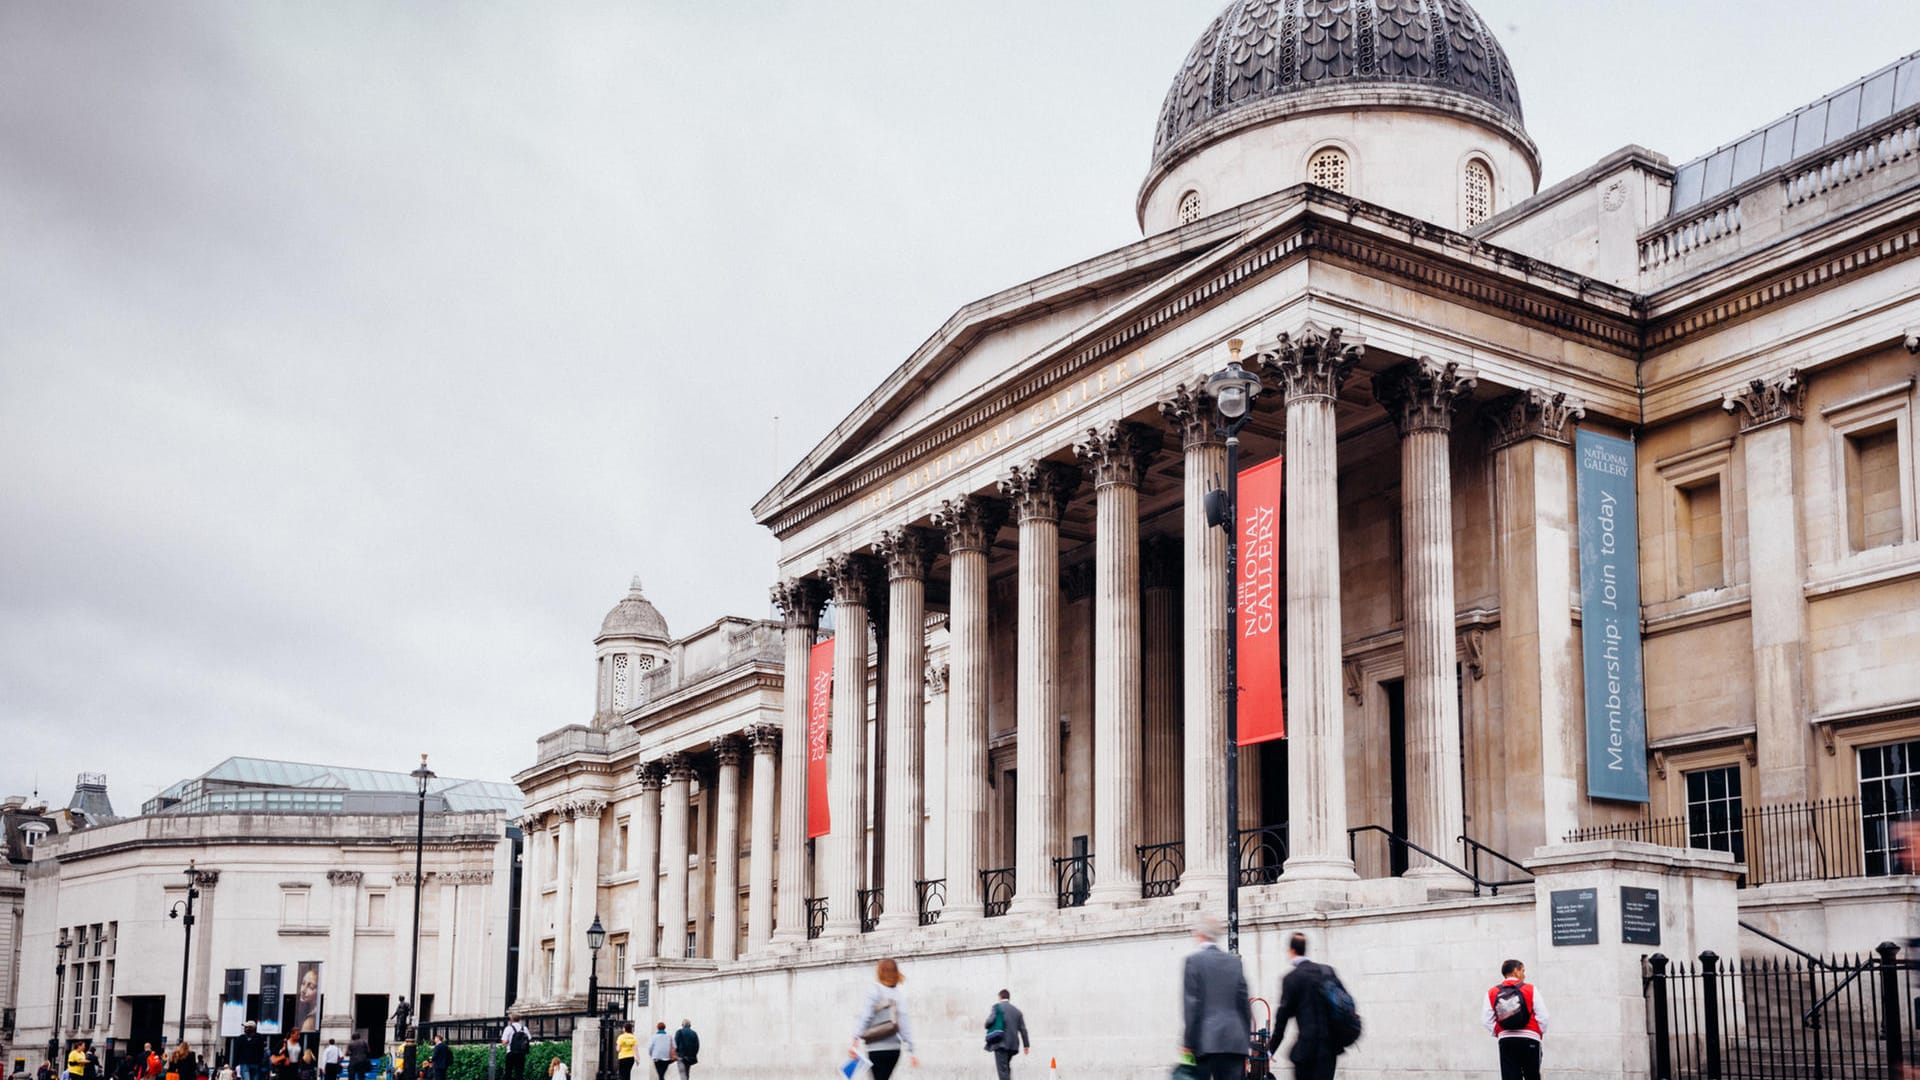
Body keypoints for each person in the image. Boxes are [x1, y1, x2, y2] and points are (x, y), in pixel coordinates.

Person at [1181, 915, 1251, 1080]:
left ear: (1200, 934)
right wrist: (1245, 1039)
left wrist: (1188, 1044)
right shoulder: (1234, 962)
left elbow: (1192, 1007)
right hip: (1235, 1042)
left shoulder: (1194, 961)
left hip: (1205, 1042)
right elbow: (1244, 1004)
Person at [1274, 932, 1338, 1080]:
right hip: (1329, 1050)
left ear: (1291, 951)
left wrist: (1270, 1050)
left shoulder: (1292, 979)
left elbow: (1282, 1019)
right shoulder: (1327, 972)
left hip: (1306, 1051)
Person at [850, 958, 917, 1080]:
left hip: (877, 1049)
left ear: (880, 972)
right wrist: (911, 1050)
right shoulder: (898, 995)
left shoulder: (874, 991)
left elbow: (866, 1016)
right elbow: (904, 1024)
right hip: (894, 1050)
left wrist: (856, 1038)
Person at [1481, 959, 1548, 1080]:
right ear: (1515, 971)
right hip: (1530, 1039)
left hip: (1506, 1041)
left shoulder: (1492, 992)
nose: (1524, 974)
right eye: (1523, 970)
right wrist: (1537, 1033)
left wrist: (1501, 1032)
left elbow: (1486, 1020)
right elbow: (1543, 1016)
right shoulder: (1530, 989)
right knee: (1532, 1076)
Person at [984, 989, 1029, 1080]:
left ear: (1000, 997)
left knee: (1003, 1071)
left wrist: (987, 1024)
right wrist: (1026, 1045)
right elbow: (1023, 1030)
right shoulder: (1017, 1012)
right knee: (1006, 1068)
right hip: (1013, 1046)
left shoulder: (997, 1007)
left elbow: (989, 1021)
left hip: (1000, 1044)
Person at [498, 1016, 530, 1080]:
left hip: (511, 1052)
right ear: (519, 1019)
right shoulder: (524, 1028)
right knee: (519, 1073)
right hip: (521, 1053)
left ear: (511, 1020)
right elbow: (529, 1038)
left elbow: (504, 1042)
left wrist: (508, 1042)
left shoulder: (508, 1028)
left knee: (508, 1072)